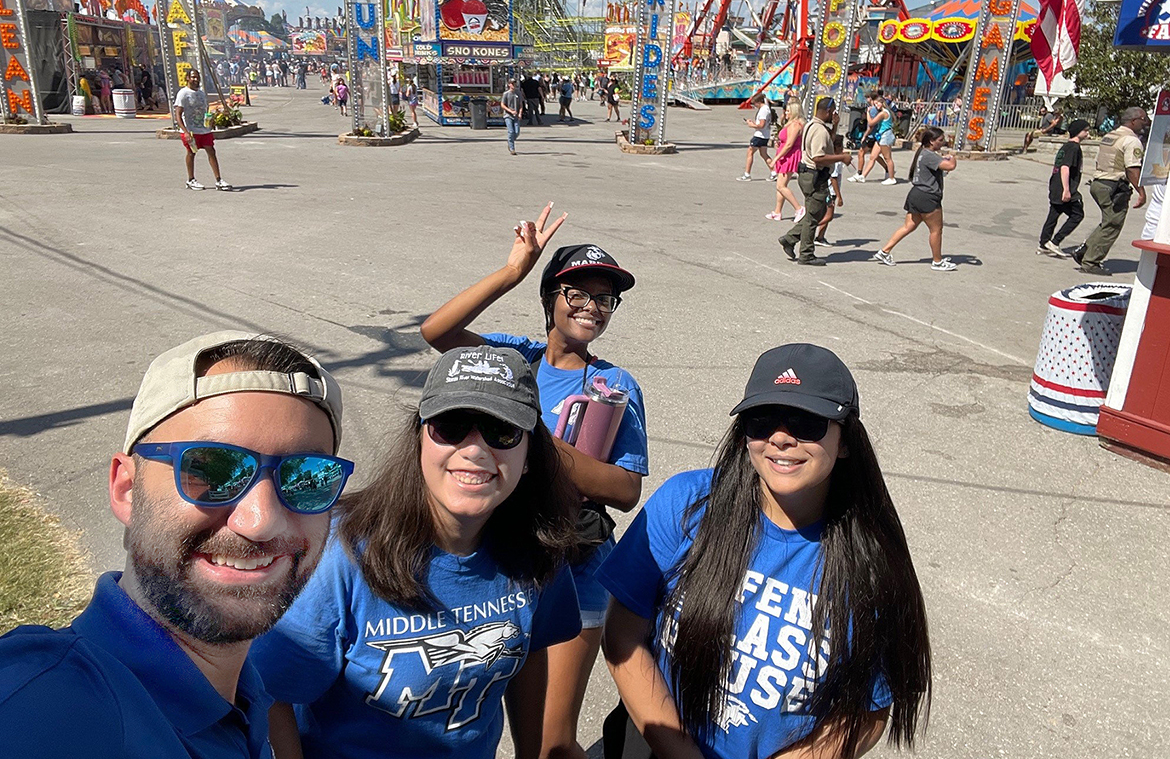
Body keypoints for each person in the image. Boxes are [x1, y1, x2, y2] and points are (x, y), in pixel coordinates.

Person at [0, 331, 351, 757]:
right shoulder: (43, 706)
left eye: (307, 478)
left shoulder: (244, 688)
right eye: (211, 470)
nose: (261, 521)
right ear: (127, 489)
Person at [598, 343, 932, 759]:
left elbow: (867, 708)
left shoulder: (871, 562)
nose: (779, 437)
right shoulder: (686, 503)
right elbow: (622, 633)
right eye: (761, 419)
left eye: (806, 421)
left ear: (845, 440)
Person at [251, 345, 582, 759]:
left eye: (502, 430)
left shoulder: (537, 551)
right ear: (420, 439)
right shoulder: (342, 554)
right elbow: (271, 695)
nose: (475, 450)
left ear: (529, 455)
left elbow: (530, 652)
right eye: (452, 425)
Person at [420, 209, 649, 759]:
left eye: (604, 297)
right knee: (461, 715)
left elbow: (624, 489)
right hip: (499, 560)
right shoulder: (513, 359)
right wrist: (512, 271)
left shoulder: (614, 384)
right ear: (550, 298)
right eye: (578, 292)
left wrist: (535, 445)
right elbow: (438, 332)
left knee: (547, 744)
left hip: (574, 569)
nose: (591, 306)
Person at [1072, 106, 1151, 275]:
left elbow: (1098, 160)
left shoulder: (1110, 136)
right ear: (1134, 121)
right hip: (1113, 186)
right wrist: (1141, 192)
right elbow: (1132, 169)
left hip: (1099, 182)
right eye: (1143, 120)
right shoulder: (1132, 140)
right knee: (1113, 225)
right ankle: (1091, 262)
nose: (1145, 123)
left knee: (1108, 222)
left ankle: (1084, 251)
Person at [779, 97, 852, 266]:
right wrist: (843, 157)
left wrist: (834, 126)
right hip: (813, 174)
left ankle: (789, 239)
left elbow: (828, 144)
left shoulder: (814, 125)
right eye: (833, 112)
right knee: (814, 216)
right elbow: (819, 158)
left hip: (809, 173)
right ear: (827, 112)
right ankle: (806, 254)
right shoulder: (818, 130)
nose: (834, 114)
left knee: (817, 213)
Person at [873, 126, 957, 271]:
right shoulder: (929, 155)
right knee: (936, 230)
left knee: (909, 226)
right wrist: (952, 157)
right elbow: (950, 166)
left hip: (917, 193)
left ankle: (884, 251)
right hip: (927, 196)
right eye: (940, 140)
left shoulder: (924, 153)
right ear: (931, 141)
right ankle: (937, 261)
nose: (942, 143)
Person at [1037, 119, 1091, 258]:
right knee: (1077, 215)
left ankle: (1044, 244)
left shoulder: (1066, 146)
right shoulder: (1073, 148)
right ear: (1078, 132)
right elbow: (1065, 167)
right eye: (1085, 130)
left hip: (1055, 185)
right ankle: (1055, 242)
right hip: (1063, 187)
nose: (1087, 133)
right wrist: (1066, 189)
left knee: (1054, 213)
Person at [174, 70, 231, 192]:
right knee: (191, 152)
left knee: (211, 151)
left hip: (204, 129)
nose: (196, 80)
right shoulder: (183, 94)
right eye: (193, 77)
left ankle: (218, 180)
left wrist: (211, 121)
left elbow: (205, 110)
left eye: (197, 77)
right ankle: (191, 179)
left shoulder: (201, 93)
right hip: (191, 130)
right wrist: (185, 131)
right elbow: (178, 114)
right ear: (188, 78)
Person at [766, 100, 805, 220]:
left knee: (781, 186)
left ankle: (799, 208)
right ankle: (777, 211)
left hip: (789, 156)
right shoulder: (791, 123)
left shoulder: (795, 125)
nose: (786, 113)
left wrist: (775, 159)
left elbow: (789, 144)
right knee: (781, 184)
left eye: (788, 111)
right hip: (784, 154)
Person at [857, 93, 897, 184]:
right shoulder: (882, 112)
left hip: (886, 136)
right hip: (880, 136)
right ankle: (863, 176)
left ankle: (891, 178)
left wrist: (867, 113)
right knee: (872, 156)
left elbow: (871, 123)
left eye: (877, 103)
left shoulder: (883, 113)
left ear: (882, 102)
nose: (876, 106)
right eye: (875, 104)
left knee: (888, 158)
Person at [815, 135, 848, 247]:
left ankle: (820, 237)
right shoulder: (837, 161)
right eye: (841, 146)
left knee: (825, 215)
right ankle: (808, 229)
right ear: (837, 147)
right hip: (830, 192)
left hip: (826, 190)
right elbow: (833, 179)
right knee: (829, 216)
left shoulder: (830, 157)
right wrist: (839, 196)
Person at [850, 91, 889, 182]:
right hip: (875, 135)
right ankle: (887, 168)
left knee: (861, 153)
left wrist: (865, 135)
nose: (866, 100)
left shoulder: (872, 110)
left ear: (870, 98)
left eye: (867, 98)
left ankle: (859, 173)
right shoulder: (875, 109)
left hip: (871, 135)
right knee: (874, 155)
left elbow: (871, 125)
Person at [738, 94, 775, 182]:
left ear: (759, 102)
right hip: (765, 135)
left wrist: (751, 125)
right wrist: (754, 123)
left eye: (754, 104)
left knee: (750, 152)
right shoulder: (766, 109)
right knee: (763, 154)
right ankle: (774, 172)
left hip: (760, 135)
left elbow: (761, 125)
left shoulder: (763, 110)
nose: (754, 106)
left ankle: (747, 174)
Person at [502, 78, 522, 155]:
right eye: (512, 83)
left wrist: (520, 113)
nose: (513, 85)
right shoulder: (506, 94)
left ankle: (510, 141)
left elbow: (520, 104)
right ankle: (512, 148)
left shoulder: (518, 93)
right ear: (509, 84)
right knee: (511, 131)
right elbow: (502, 105)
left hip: (516, 116)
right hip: (508, 115)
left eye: (514, 83)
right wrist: (510, 111)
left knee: (516, 132)